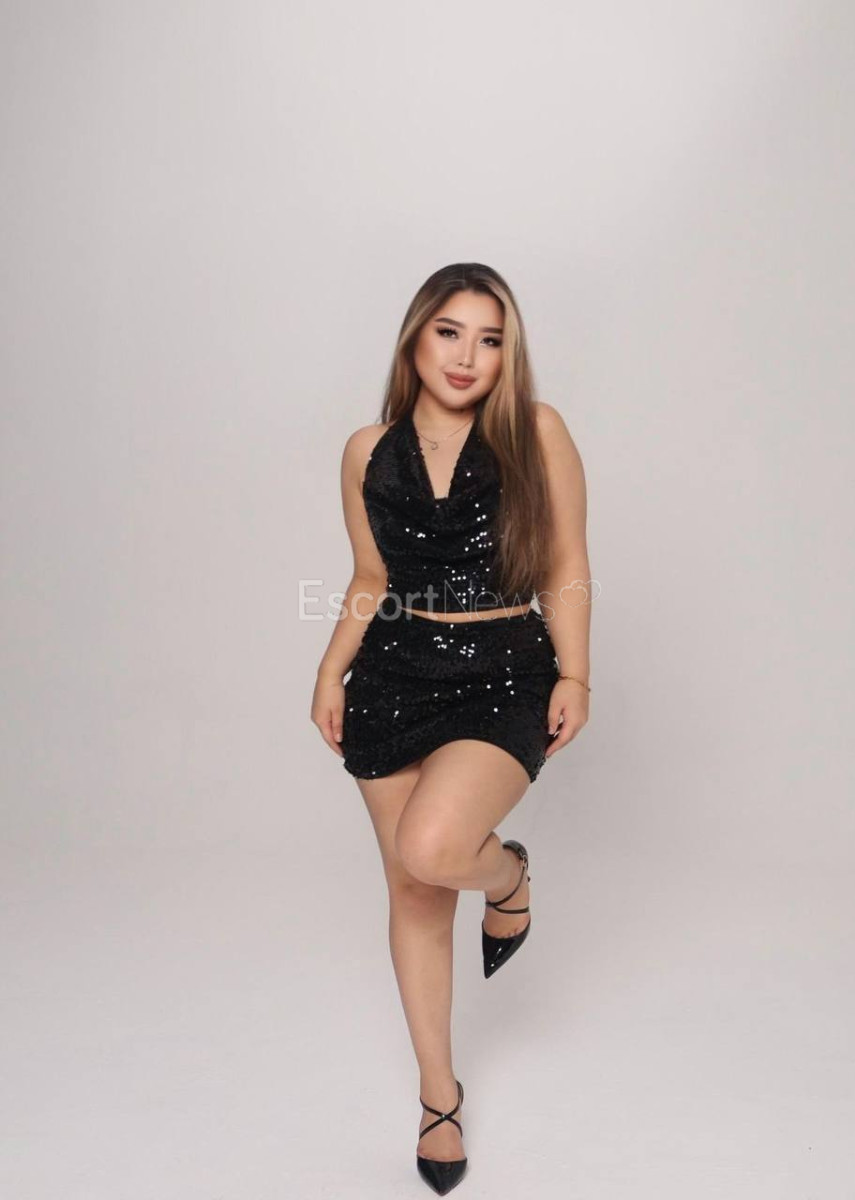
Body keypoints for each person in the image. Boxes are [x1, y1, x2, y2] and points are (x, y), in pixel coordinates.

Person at [311, 262, 591, 1194]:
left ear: (508, 355)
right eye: (449, 332)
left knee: (435, 848)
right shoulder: (366, 449)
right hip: (393, 674)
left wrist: (576, 672)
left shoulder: (535, 432)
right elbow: (369, 577)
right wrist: (329, 670)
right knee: (415, 891)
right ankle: (439, 1097)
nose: (467, 355)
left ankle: (508, 877)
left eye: (490, 339)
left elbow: (566, 560)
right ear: (414, 338)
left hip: (502, 670)